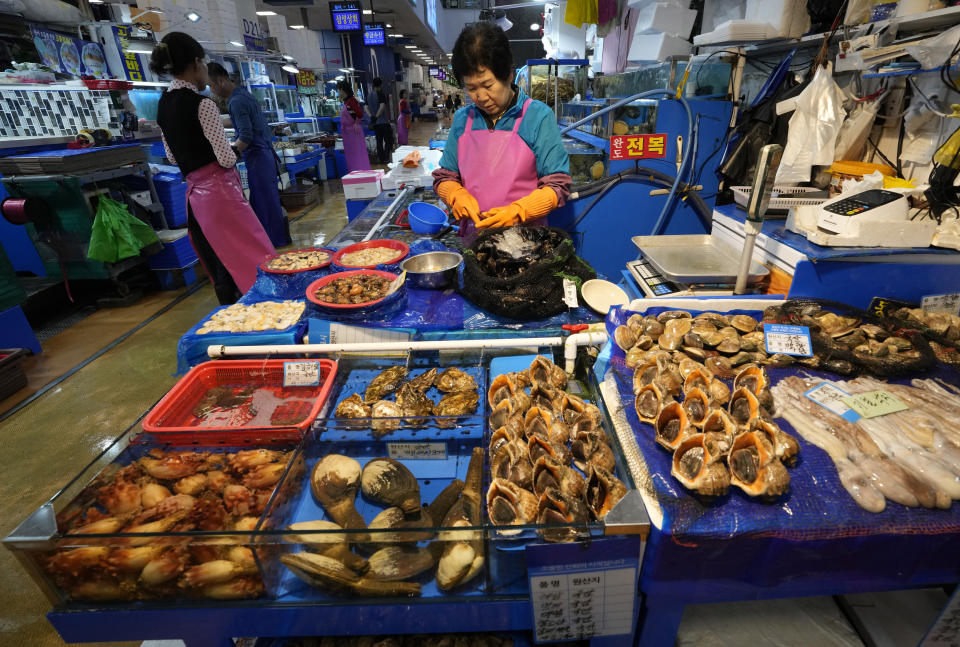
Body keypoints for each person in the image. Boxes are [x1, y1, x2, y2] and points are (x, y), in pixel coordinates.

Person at [151, 32, 275, 304]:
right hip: (221, 195)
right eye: (205, 63)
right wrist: (229, 149)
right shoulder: (202, 104)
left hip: (195, 199)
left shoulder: (163, 104)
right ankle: (268, 309)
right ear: (196, 63)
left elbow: (172, 157)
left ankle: (234, 314)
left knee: (219, 259)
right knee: (253, 253)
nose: (206, 70)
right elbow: (226, 158)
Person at [432, 23, 571, 242]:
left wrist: (518, 211)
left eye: (487, 84)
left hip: (526, 241)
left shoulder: (538, 117)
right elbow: (445, 177)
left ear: (508, 74)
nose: (480, 96)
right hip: (475, 241)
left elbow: (558, 186)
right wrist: (454, 194)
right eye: (471, 88)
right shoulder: (463, 119)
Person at [206, 62, 290, 248]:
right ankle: (276, 240)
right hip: (263, 156)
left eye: (211, 85)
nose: (212, 90)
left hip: (258, 157)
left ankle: (273, 243)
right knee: (267, 200)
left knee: (264, 202)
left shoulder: (236, 102)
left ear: (219, 81)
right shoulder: (243, 94)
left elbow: (245, 136)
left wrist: (229, 155)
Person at [337, 80, 370, 173]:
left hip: (354, 133)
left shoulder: (351, 101)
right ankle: (355, 174)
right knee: (352, 156)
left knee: (358, 156)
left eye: (338, 90)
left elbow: (360, 114)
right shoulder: (346, 102)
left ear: (342, 90)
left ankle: (361, 174)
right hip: (348, 134)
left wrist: (356, 123)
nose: (338, 93)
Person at [367, 77, 393, 164]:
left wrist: (371, 116)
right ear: (381, 84)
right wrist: (377, 116)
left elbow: (365, 107)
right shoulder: (381, 94)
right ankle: (386, 158)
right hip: (383, 122)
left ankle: (381, 158)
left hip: (375, 124)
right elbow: (382, 107)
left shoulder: (369, 95)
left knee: (379, 141)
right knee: (389, 140)